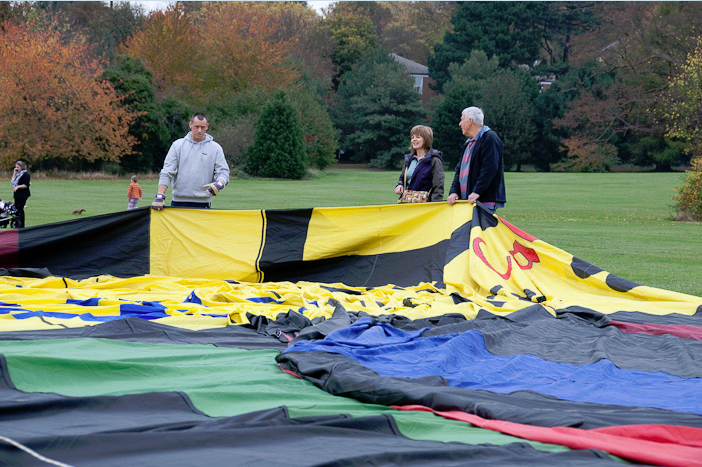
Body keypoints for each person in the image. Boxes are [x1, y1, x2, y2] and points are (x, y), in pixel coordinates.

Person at [152, 113, 230, 210]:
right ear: (190, 125)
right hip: (178, 202)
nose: (199, 130)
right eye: (196, 127)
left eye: (202, 127)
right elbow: (167, 171)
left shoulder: (215, 148)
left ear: (207, 126)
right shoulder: (177, 145)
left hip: (203, 203)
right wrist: (160, 195)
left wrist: (219, 183)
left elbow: (223, 172)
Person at [447, 107, 506, 214]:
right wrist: (454, 192)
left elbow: (490, 168)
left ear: (470, 121)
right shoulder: (468, 143)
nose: (460, 124)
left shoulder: (490, 139)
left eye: (462, 119)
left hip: (483, 202)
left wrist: (477, 192)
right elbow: (459, 171)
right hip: (467, 202)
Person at [395, 125, 444, 202]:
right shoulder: (409, 159)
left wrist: (435, 206)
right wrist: (399, 185)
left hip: (424, 206)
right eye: (412, 137)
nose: (414, 140)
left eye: (418, 137)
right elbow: (402, 178)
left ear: (426, 139)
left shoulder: (434, 160)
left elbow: (438, 186)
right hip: (406, 204)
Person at [11, 160, 30, 228]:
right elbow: (12, 182)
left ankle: (21, 225)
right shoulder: (17, 174)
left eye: (18, 167)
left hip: (23, 194)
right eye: (16, 167)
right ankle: (17, 223)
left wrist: (18, 187)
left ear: (22, 167)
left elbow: (26, 185)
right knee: (16, 208)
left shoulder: (25, 174)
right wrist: (14, 173)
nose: (17, 169)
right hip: (17, 194)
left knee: (20, 208)